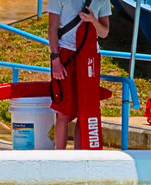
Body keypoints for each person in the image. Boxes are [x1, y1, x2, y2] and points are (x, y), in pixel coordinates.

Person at [47, 0, 111, 149]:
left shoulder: (102, 0)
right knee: (63, 111)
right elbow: (52, 28)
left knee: (85, 109)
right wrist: (55, 59)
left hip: (90, 55)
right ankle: (59, 157)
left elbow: (104, 32)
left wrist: (93, 20)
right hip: (65, 54)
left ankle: (80, 155)